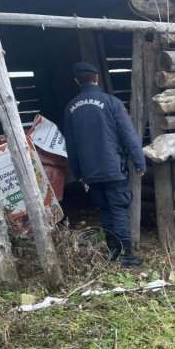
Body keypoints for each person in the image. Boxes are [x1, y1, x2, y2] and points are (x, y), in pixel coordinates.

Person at [64, 62, 146, 267]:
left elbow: (71, 145)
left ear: (76, 81)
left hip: (90, 172)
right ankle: (126, 257)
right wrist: (139, 162)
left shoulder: (70, 108)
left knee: (105, 210)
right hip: (113, 168)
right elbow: (129, 136)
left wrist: (78, 172)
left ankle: (113, 254)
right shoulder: (112, 102)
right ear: (97, 78)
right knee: (118, 209)